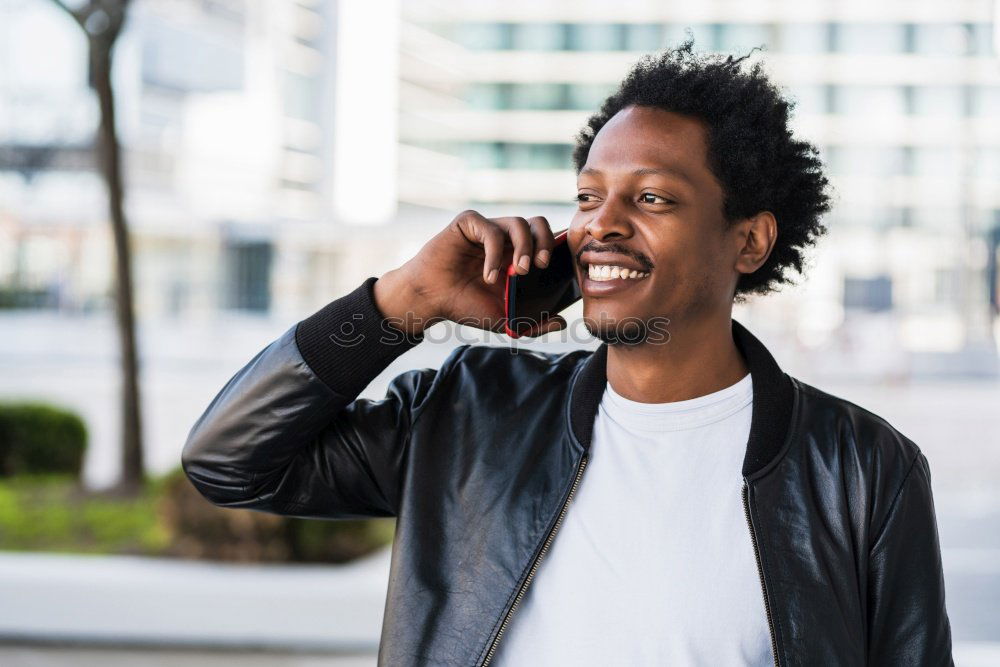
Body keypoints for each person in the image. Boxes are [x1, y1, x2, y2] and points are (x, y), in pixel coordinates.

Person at [182, 41, 953, 666]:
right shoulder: (469, 410)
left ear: (748, 240)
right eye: (588, 197)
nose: (601, 225)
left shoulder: (863, 471)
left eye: (651, 197)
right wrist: (405, 299)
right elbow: (230, 461)